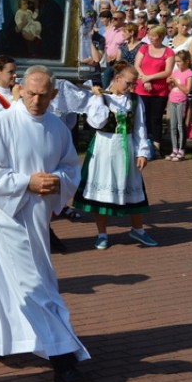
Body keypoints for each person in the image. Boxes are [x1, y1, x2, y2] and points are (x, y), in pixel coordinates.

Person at [0, 65, 89, 382]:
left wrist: (57, 181)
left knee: (11, 278)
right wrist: (26, 182)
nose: (36, 100)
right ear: (19, 89)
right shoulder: (2, 124)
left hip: (37, 216)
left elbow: (69, 168)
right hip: (7, 215)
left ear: (54, 95)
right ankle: (63, 359)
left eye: (43, 95)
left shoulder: (58, 127)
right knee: (33, 282)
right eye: (31, 93)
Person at [73, 62, 156, 248]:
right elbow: (97, 123)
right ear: (117, 79)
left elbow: (140, 128)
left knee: (134, 189)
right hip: (104, 147)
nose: (132, 87)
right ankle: (102, 234)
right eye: (129, 83)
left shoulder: (135, 100)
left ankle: (138, 230)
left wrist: (142, 152)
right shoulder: (100, 98)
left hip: (126, 147)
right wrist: (99, 98)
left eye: (134, 84)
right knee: (101, 192)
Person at [134, 24, 175, 158]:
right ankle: (141, 145)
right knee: (142, 118)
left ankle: (156, 146)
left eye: (154, 36)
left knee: (156, 118)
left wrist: (150, 78)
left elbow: (167, 71)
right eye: (149, 35)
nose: (151, 38)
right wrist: (145, 81)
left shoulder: (168, 52)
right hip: (142, 88)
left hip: (159, 91)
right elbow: (137, 65)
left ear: (161, 36)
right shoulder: (144, 48)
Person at [165, 50, 192, 161]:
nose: (177, 64)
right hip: (172, 99)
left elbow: (187, 90)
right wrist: (170, 83)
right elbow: (170, 86)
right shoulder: (176, 72)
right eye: (176, 61)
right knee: (172, 126)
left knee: (180, 126)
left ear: (186, 61)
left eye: (179, 61)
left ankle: (181, 150)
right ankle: (174, 149)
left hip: (182, 101)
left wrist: (176, 83)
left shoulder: (189, 74)